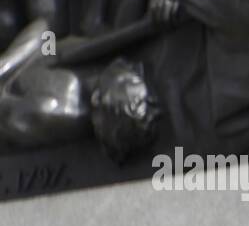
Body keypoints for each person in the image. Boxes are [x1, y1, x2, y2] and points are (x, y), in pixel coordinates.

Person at [0, 17, 158, 160]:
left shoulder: (53, 110)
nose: (132, 66)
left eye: (126, 81)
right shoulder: (95, 77)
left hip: (12, 75)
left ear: (98, 98)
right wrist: (146, 26)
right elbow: (58, 46)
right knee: (47, 17)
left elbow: (7, 113)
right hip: (33, 51)